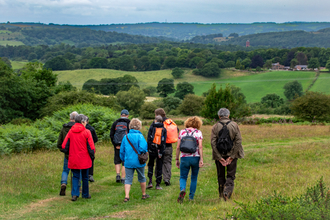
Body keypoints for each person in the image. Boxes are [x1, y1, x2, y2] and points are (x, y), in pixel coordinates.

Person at [211, 108, 244, 201]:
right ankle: (227, 192)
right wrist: (232, 156)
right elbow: (238, 141)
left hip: (219, 154)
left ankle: (221, 194)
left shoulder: (215, 126)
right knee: (230, 175)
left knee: (220, 175)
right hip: (232, 154)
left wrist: (219, 157)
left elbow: (213, 142)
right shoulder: (234, 125)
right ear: (228, 115)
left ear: (219, 116)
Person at [62, 114, 95, 201]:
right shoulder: (87, 132)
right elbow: (91, 147)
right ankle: (85, 194)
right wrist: (92, 155)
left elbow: (64, 146)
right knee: (85, 177)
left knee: (75, 176)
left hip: (74, 158)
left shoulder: (70, 132)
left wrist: (69, 152)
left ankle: (74, 194)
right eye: (85, 121)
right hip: (85, 158)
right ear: (82, 121)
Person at [120, 118, 150, 202]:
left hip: (128, 161)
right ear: (139, 126)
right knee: (142, 177)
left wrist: (123, 159)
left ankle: (126, 196)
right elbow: (143, 148)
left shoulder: (126, 137)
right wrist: (141, 152)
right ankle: (144, 194)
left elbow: (122, 150)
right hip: (139, 161)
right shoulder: (140, 136)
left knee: (128, 179)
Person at [175, 116, 204, 203]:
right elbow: (200, 146)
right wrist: (201, 158)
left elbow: (178, 147)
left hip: (184, 157)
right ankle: (191, 197)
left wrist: (177, 158)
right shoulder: (198, 132)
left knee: (183, 177)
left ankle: (182, 189)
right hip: (195, 157)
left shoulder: (182, 132)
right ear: (198, 124)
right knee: (194, 177)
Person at [154, 108, 178, 186]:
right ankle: (167, 178)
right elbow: (177, 130)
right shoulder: (170, 122)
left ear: (157, 115)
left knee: (158, 161)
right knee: (167, 162)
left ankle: (158, 177)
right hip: (168, 146)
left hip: (159, 146)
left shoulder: (157, 122)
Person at [57, 111, 78, 196]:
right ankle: (77, 188)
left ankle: (63, 183)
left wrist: (65, 151)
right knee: (76, 171)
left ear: (70, 118)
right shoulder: (79, 128)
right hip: (77, 153)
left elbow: (59, 143)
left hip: (67, 154)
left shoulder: (64, 128)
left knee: (65, 170)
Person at [110, 109, 130, 184]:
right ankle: (123, 178)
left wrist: (115, 144)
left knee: (117, 160)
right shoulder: (129, 122)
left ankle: (118, 175)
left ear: (121, 115)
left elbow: (111, 135)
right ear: (127, 115)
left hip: (117, 145)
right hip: (126, 146)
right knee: (124, 162)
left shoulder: (116, 122)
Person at [147, 115, 167, 190]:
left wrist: (148, 150)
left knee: (151, 165)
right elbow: (164, 142)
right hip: (160, 151)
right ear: (162, 121)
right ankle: (158, 184)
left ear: (155, 120)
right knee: (159, 167)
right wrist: (161, 152)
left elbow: (149, 140)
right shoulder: (164, 129)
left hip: (152, 150)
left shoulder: (152, 128)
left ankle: (150, 182)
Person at [85, 116, 98, 182]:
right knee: (91, 160)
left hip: (82, 148)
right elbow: (96, 139)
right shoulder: (91, 128)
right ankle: (90, 175)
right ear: (88, 121)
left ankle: (83, 175)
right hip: (90, 147)